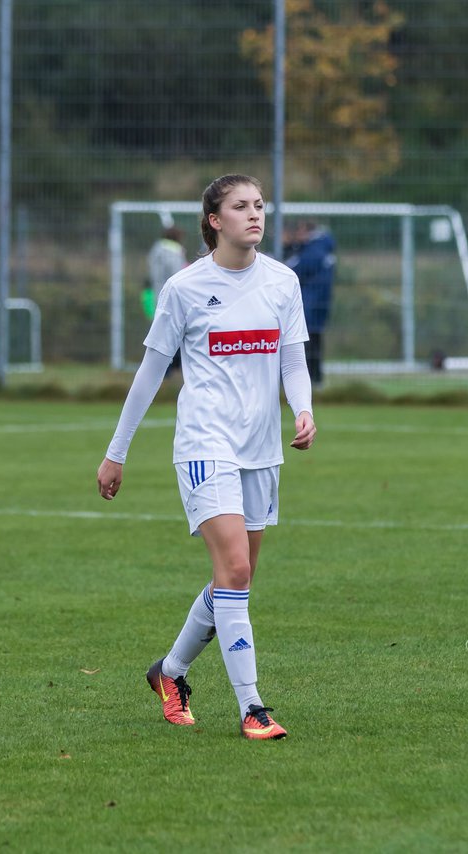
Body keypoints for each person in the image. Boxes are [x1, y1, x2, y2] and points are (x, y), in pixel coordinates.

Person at [97, 174, 316, 741]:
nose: (255, 214)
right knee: (236, 572)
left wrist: (303, 410)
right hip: (204, 445)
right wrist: (115, 453)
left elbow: (293, 359)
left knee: (233, 582)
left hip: (261, 450)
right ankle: (253, 708)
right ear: (214, 220)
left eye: (260, 205)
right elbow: (150, 374)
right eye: (240, 206)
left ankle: (169, 673)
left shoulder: (282, 282)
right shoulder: (186, 288)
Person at [284, 220, 337, 386]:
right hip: (317, 303)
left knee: (307, 344)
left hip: (310, 304)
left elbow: (291, 271)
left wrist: (287, 249)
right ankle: (315, 379)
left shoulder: (314, 251)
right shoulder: (322, 247)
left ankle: (310, 380)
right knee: (314, 342)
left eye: (299, 232)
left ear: (307, 232)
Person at [143, 225, 187, 375]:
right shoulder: (171, 253)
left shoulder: (157, 251)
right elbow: (178, 276)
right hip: (172, 301)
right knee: (173, 338)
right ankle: (168, 372)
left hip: (158, 298)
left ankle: (165, 372)